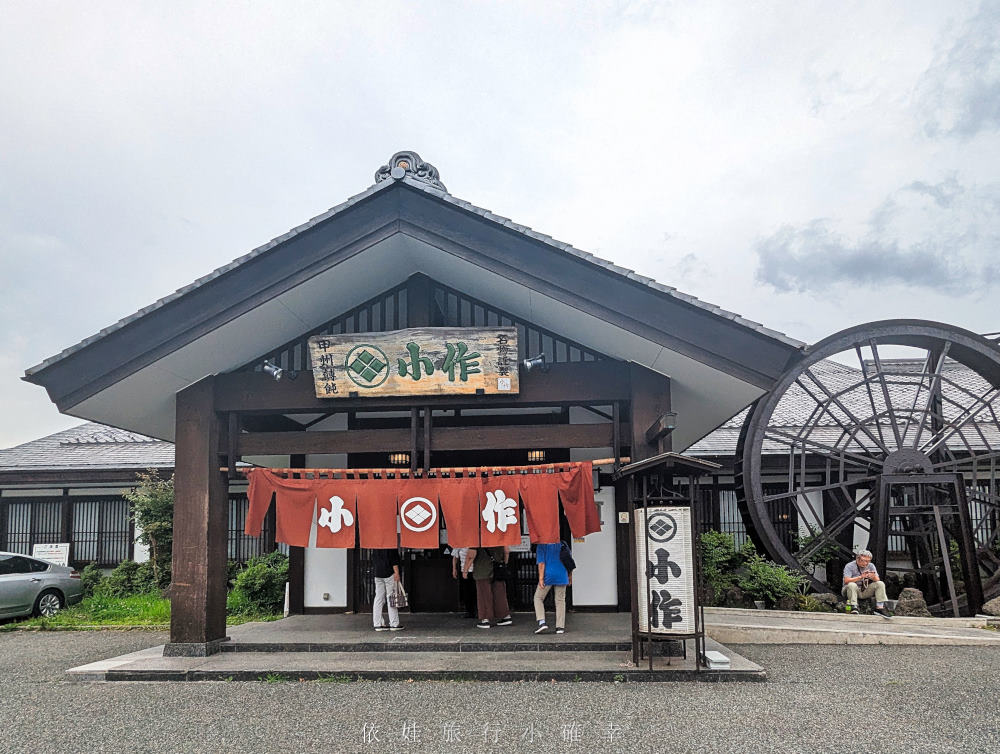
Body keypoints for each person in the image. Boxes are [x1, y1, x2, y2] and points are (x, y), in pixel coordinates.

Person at [465, 545, 512, 628]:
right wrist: (504, 563)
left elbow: (471, 555)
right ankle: (505, 616)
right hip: (497, 569)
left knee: (484, 594)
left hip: (482, 569)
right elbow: (506, 551)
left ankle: (486, 619)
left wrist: (465, 570)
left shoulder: (477, 537)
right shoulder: (499, 535)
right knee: (500, 594)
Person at [533, 542, 571, 634]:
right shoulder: (563, 544)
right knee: (560, 601)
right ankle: (560, 627)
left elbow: (541, 563)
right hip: (562, 574)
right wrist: (570, 576)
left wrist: (541, 578)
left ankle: (542, 622)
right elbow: (569, 561)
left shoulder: (542, 544)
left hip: (548, 575)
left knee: (538, 598)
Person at [842, 549, 890, 616]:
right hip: (849, 590)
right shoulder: (849, 566)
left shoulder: (871, 566)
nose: (866, 563)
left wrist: (872, 577)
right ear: (857, 559)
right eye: (864, 561)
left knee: (880, 583)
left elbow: (877, 579)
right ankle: (854, 607)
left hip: (864, 590)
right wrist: (861, 577)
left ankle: (879, 608)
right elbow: (846, 580)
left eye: (868, 561)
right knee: (852, 585)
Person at [371, 547, 404, 631]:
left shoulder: (375, 545)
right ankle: (394, 624)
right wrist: (397, 573)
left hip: (377, 573)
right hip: (389, 573)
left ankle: (377, 624)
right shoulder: (390, 544)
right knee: (391, 598)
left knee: (378, 598)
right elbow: (394, 560)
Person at [451, 547, 476, 618]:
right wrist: (454, 569)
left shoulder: (473, 543)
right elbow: (455, 557)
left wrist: (465, 570)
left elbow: (472, 557)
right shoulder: (459, 543)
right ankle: (470, 611)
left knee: (474, 591)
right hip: (463, 570)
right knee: (466, 591)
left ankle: (476, 610)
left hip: (475, 570)